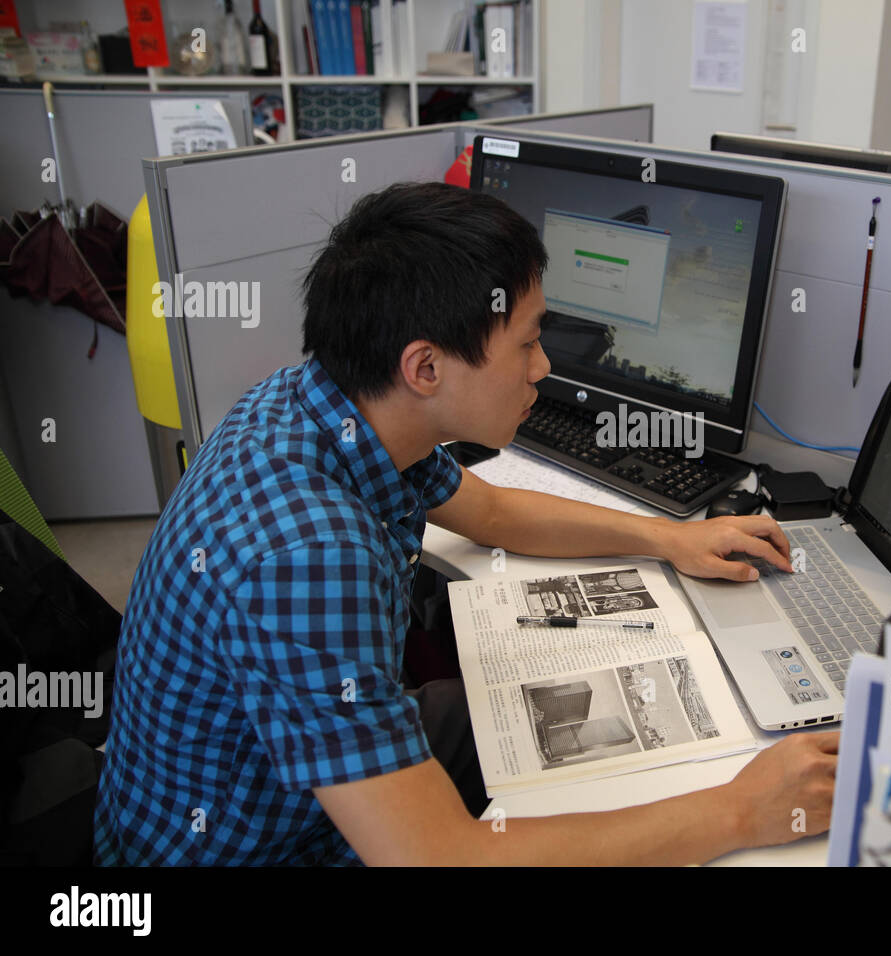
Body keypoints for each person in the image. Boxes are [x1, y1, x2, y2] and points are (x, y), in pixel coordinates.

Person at [94, 182, 837, 866]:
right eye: (526, 342)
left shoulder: (330, 404)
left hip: (283, 791)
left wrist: (669, 538)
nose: (543, 367)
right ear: (426, 368)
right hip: (247, 850)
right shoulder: (307, 552)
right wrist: (743, 810)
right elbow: (439, 859)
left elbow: (492, 510)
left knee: (516, 721)